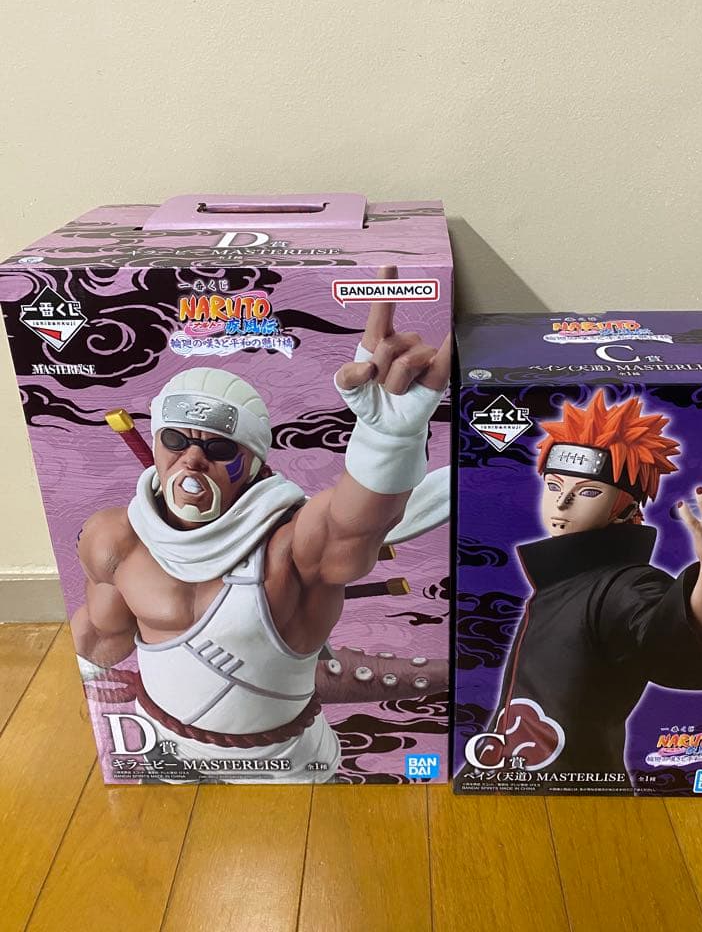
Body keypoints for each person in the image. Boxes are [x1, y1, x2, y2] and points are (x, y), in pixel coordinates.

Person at [70, 268, 450, 782]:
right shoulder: (114, 538)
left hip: (286, 769)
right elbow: (100, 642)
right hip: (159, 752)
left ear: (252, 465)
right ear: (156, 443)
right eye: (176, 441)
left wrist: (387, 441)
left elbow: (352, 525)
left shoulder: (286, 547)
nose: (193, 461)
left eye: (219, 447)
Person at [466, 389, 702, 779]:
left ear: (627, 507)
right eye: (554, 486)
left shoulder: (626, 584)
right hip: (510, 772)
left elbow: (672, 650)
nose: (562, 503)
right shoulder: (560, 582)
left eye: (588, 492)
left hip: (572, 783)